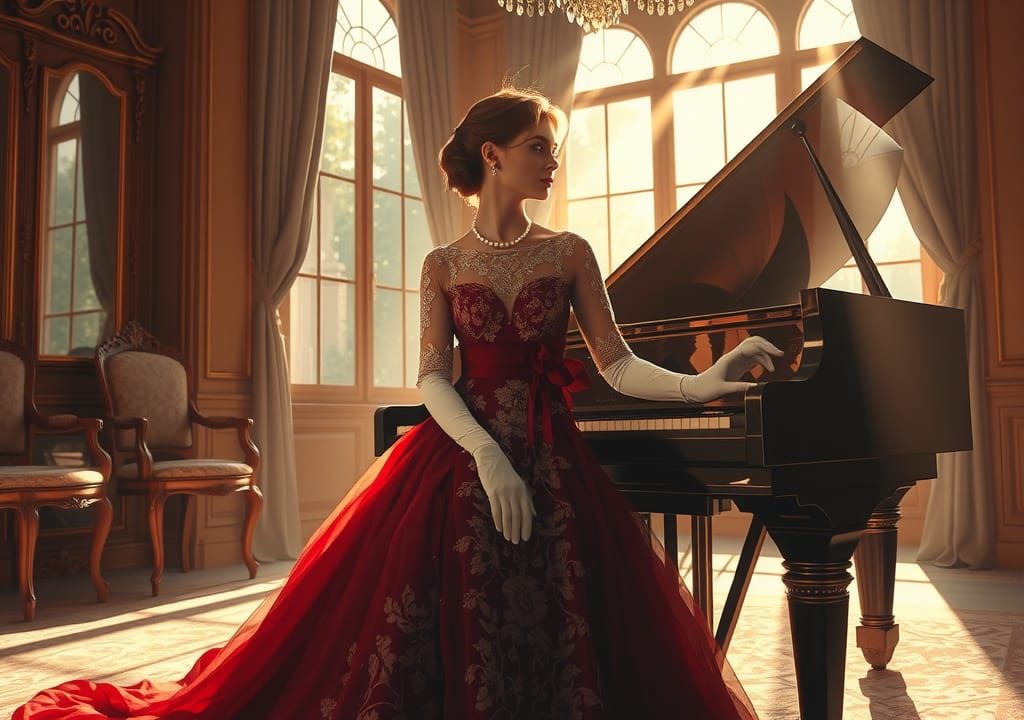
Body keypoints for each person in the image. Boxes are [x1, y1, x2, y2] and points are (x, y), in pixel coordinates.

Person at [15, 87, 779, 719]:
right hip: (463, 452)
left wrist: (703, 383)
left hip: (551, 457)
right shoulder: (442, 264)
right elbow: (433, 376)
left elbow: (616, 363)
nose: (553, 160)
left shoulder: (569, 251)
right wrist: (485, 454)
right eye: (539, 147)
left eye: (554, 148)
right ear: (493, 155)